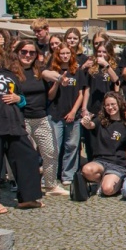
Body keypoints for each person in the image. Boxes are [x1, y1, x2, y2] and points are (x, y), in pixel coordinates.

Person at [0, 40, 44, 214]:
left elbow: (22, 98)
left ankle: (27, 198)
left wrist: (18, 99)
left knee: (28, 156)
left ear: (1, 55)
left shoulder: (10, 74)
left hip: (13, 123)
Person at [15, 42, 68, 197]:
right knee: (28, 155)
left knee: (51, 152)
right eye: (24, 52)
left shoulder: (39, 70)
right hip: (22, 119)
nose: (27, 55)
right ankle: (28, 186)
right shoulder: (13, 72)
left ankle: (50, 185)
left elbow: (49, 74)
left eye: (31, 52)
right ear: (17, 53)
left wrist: (59, 78)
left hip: (41, 118)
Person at [81, 93, 126, 198]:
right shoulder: (101, 120)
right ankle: (103, 181)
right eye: (107, 105)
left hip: (118, 164)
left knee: (107, 190)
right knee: (86, 170)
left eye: (113, 104)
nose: (110, 107)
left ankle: (116, 182)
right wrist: (86, 122)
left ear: (119, 104)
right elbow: (90, 125)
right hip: (101, 161)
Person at [48, 44, 86, 187]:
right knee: (54, 147)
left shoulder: (77, 71)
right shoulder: (53, 71)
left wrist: (74, 111)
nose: (65, 56)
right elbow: (50, 96)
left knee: (72, 146)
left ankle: (68, 175)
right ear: (58, 55)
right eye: (62, 53)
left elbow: (81, 94)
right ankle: (51, 175)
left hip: (73, 115)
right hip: (56, 114)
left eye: (67, 53)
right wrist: (57, 82)